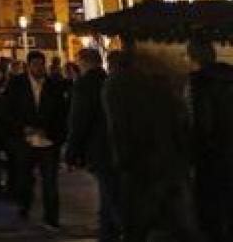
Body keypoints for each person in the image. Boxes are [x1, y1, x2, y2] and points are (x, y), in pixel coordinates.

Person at [104, 49, 203, 242]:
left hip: (142, 161)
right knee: (169, 214)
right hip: (166, 159)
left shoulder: (117, 86)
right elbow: (179, 124)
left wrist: (122, 158)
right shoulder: (161, 87)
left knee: (141, 214)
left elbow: (118, 127)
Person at [5, 50, 68, 230]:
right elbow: (7, 111)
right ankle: (24, 204)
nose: (40, 68)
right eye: (36, 65)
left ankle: (51, 217)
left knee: (50, 181)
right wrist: (22, 128)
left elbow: (61, 113)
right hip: (25, 140)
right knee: (25, 178)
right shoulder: (17, 85)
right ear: (29, 66)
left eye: (42, 65)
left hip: (48, 141)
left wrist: (51, 131)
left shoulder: (54, 85)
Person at [64, 47, 118, 242]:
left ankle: (117, 232)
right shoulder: (109, 81)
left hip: (98, 148)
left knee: (110, 196)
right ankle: (107, 234)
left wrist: (71, 152)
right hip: (115, 147)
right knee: (108, 195)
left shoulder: (84, 85)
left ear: (84, 62)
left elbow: (78, 121)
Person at [187, 38, 233, 242]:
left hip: (210, 152)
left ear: (192, 57)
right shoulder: (229, 77)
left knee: (210, 205)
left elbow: (198, 121)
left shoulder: (198, 83)